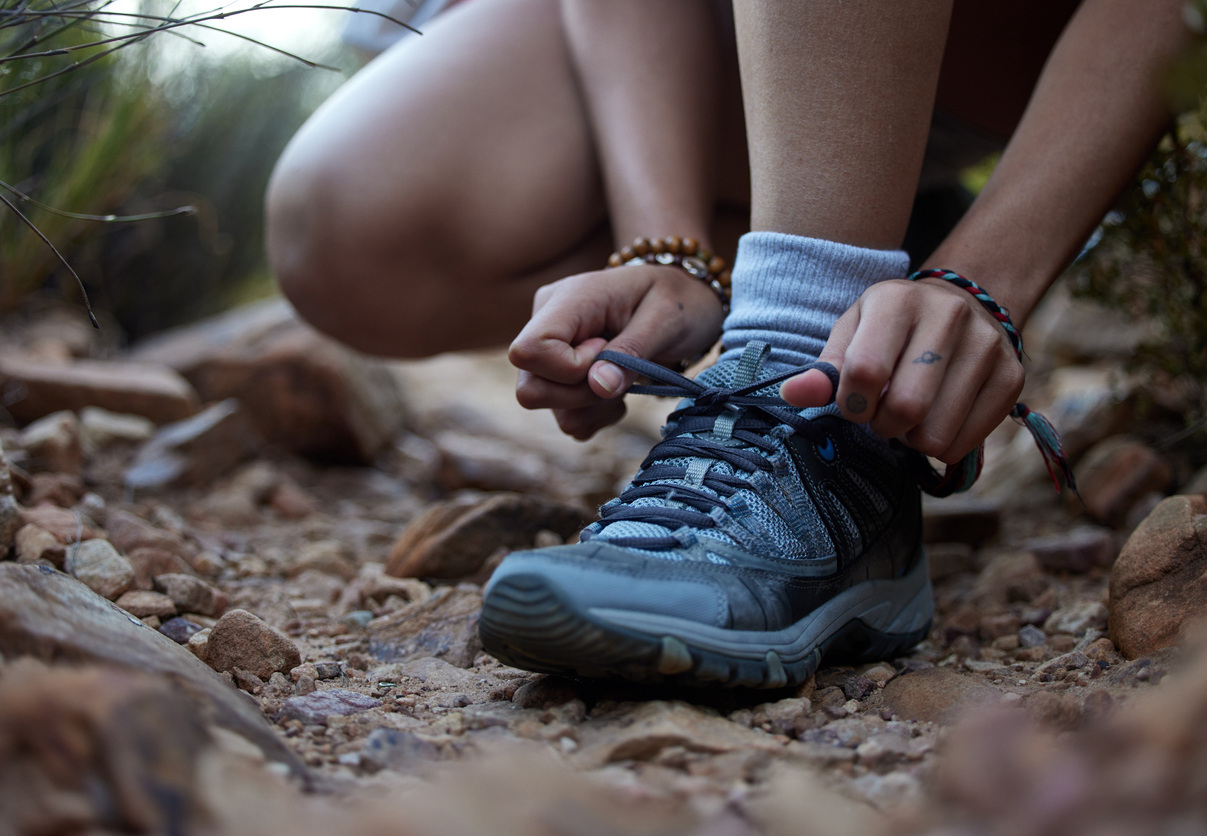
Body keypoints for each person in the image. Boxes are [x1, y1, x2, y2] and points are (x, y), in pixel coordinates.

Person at [265, 0, 1189, 687]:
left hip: (1027, 48)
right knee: (348, 228)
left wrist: (985, 279)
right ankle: (834, 260)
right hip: (748, 43)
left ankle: (822, 365)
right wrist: (664, 248)